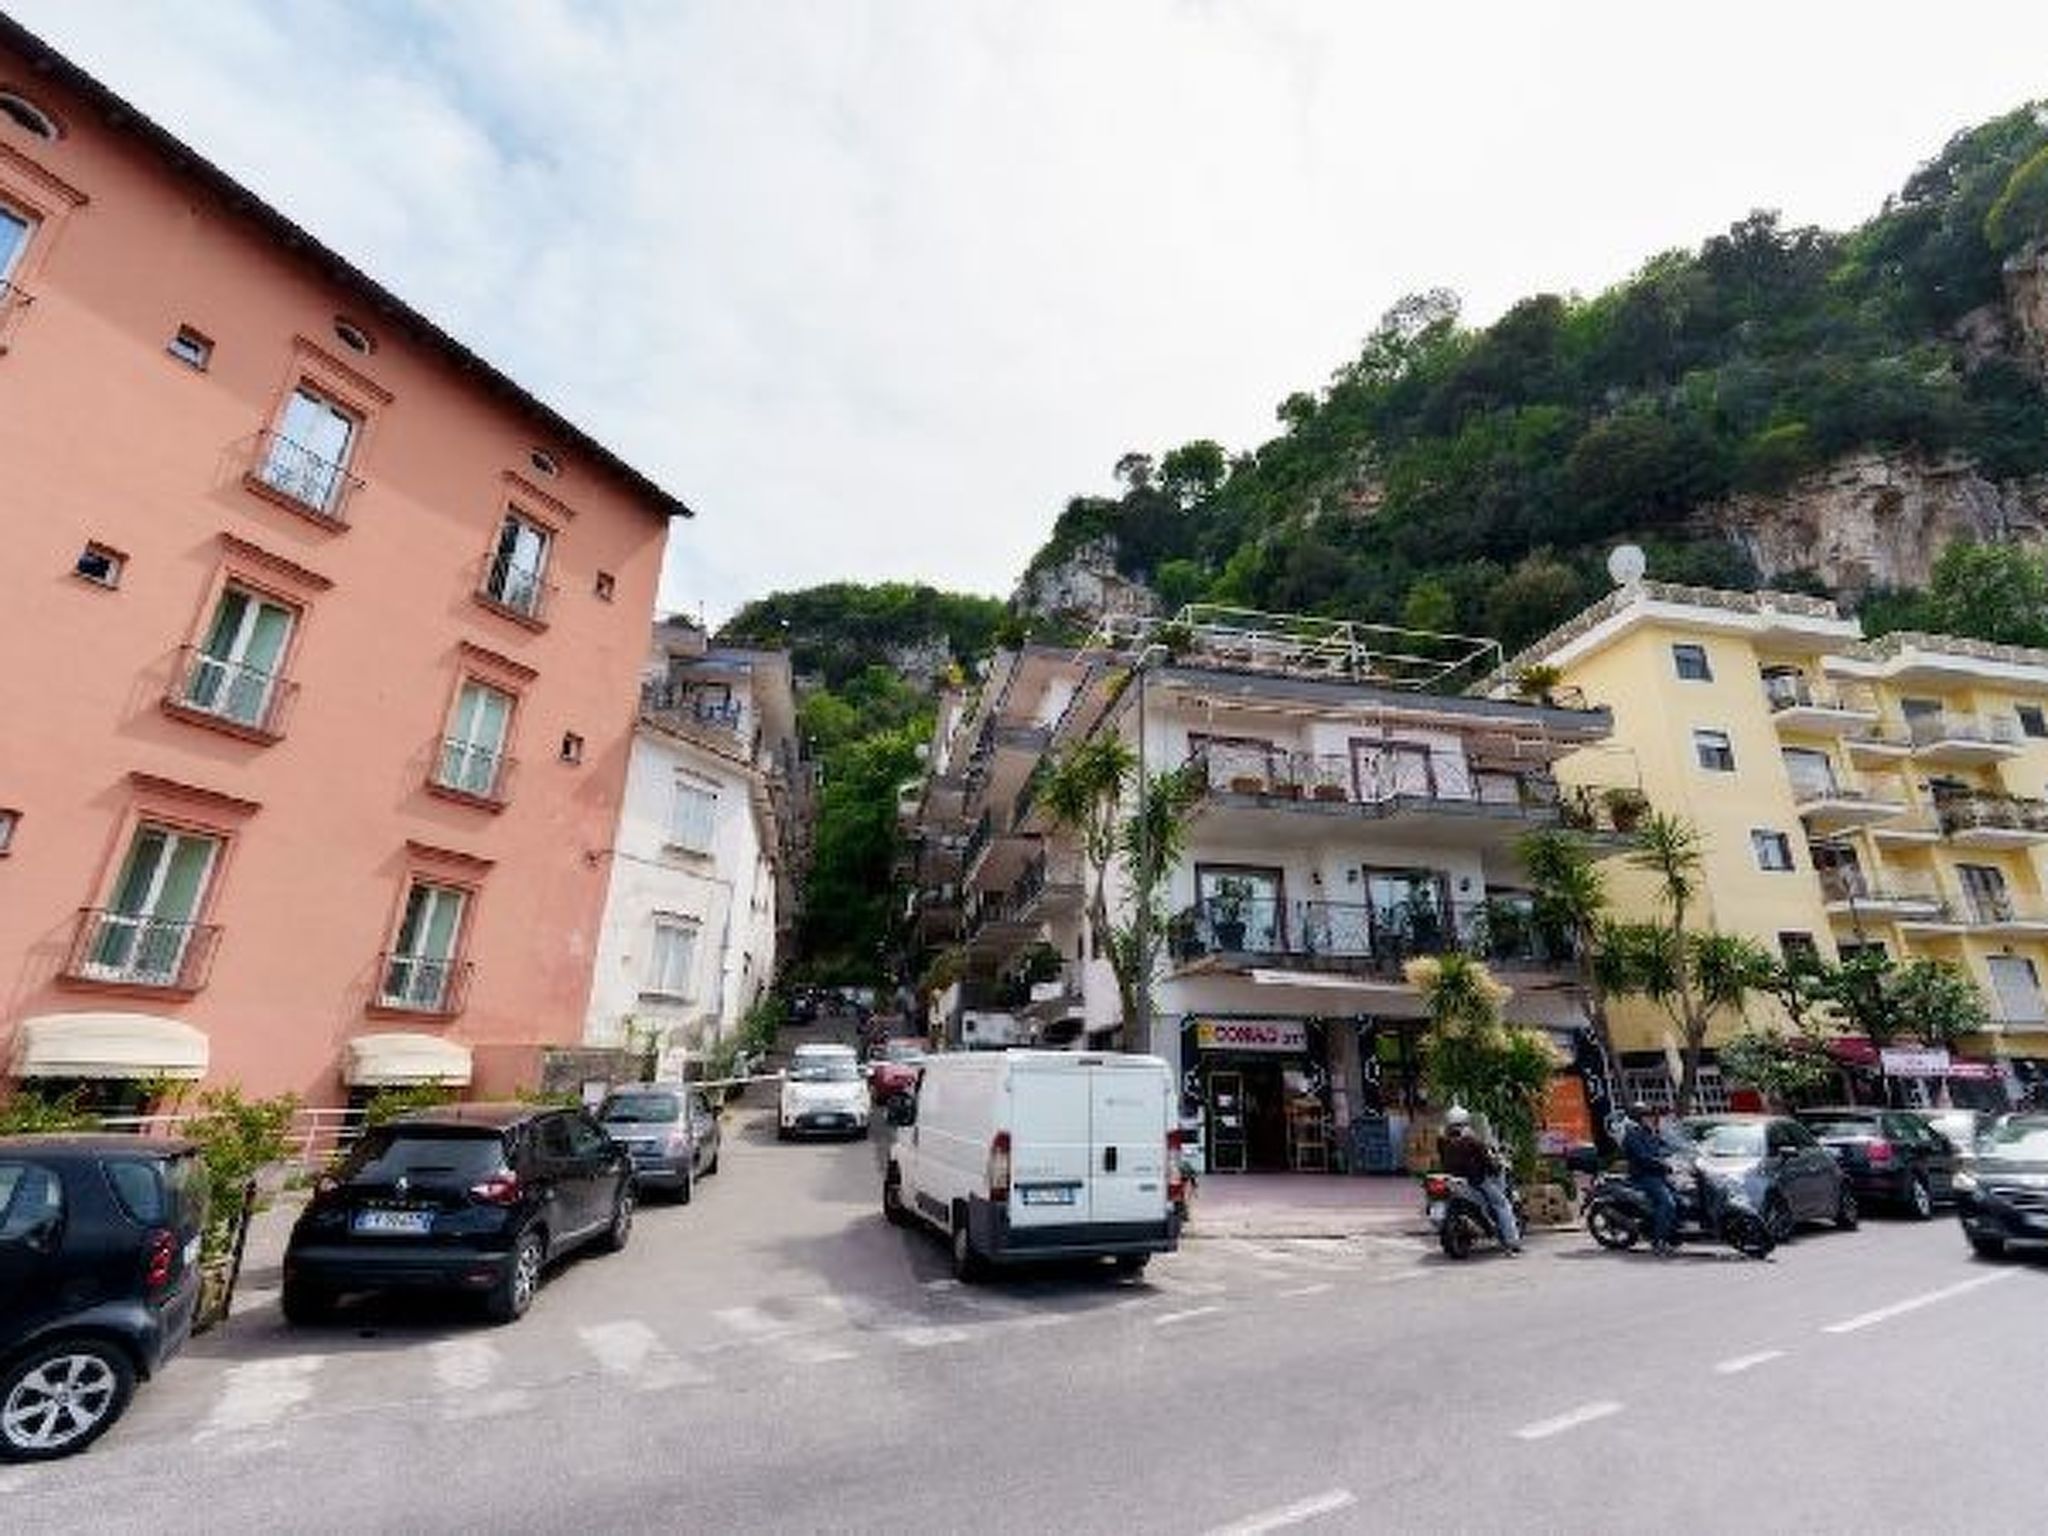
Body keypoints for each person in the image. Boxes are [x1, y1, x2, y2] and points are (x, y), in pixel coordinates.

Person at [1438, 1106, 1521, 1254]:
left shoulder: (1442, 1140)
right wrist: (1497, 1167)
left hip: (1454, 1178)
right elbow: (1487, 1161)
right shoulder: (1472, 1141)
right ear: (1465, 1121)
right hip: (1476, 1180)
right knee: (1502, 1204)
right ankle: (1512, 1242)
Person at [1620, 1100, 1679, 1254]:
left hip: (1660, 1175)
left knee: (1683, 1199)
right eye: (1647, 1115)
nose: (1652, 1117)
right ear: (1638, 1117)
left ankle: (1674, 1235)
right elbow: (1643, 1157)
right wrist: (1664, 1165)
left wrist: (1686, 1152)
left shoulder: (1650, 1132)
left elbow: (1667, 1147)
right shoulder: (1632, 1135)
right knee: (1667, 1203)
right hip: (1645, 1176)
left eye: (1651, 1115)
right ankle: (1658, 1240)